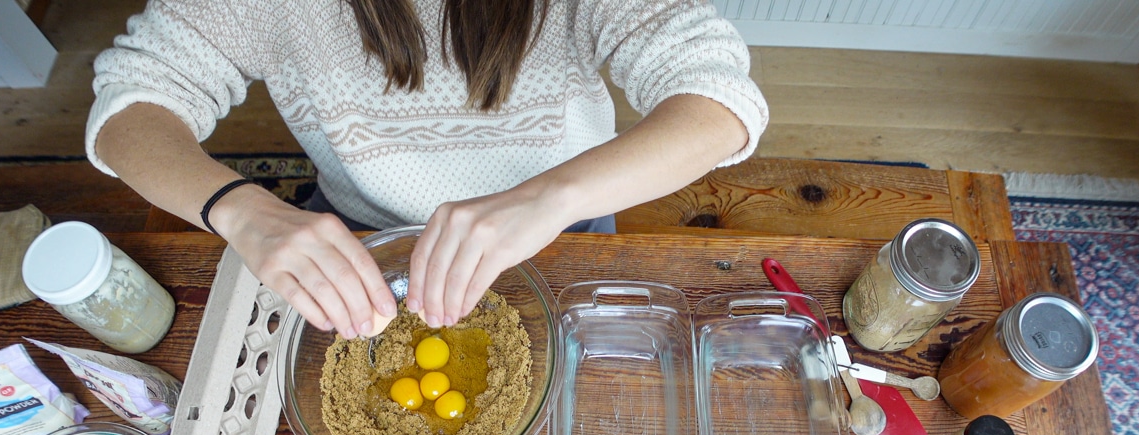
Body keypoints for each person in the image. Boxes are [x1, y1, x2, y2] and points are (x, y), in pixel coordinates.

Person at [88, 0, 768, 338]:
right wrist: (242, 209)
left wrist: (552, 195)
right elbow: (129, 109)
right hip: (356, 235)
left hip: (565, 225)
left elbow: (718, 102)